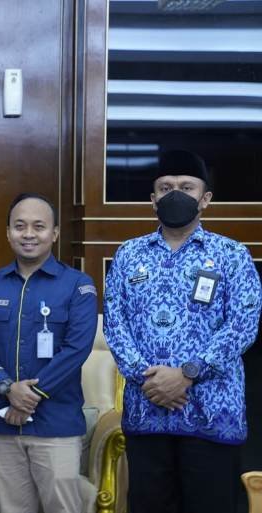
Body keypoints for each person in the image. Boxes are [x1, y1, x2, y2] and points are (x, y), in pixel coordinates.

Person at [104, 150, 262, 513]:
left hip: (212, 414)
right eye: (166, 187)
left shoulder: (232, 255)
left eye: (186, 187)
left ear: (205, 199)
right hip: (147, 410)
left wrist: (188, 373)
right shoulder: (128, 254)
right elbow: (115, 323)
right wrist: (151, 380)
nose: (175, 193)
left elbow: (243, 324)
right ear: (153, 199)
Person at [0, 193, 97, 513]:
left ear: (54, 233)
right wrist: (7, 388)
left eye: (39, 226)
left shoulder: (77, 285)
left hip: (56, 425)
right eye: (20, 226)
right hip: (4, 424)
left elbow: (76, 349)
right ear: (8, 232)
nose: (28, 234)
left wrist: (31, 395)